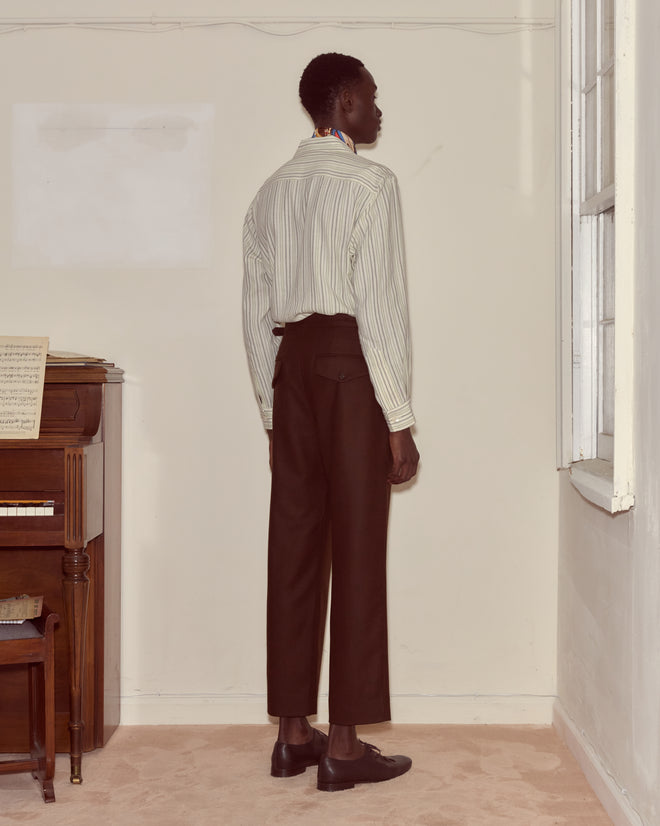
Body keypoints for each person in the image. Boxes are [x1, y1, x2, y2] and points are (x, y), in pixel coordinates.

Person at [242, 52, 419, 792]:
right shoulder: (372, 184)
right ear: (343, 102)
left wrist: (271, 405)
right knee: (357, 546)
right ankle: (342, 745)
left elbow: (255, 313)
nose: (379, 110)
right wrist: (399, 418)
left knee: (295, 547)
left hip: (293, 373)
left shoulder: (269, 193)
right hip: (350, 369)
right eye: (372, 97)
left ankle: (291, 734)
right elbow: (378, 306)